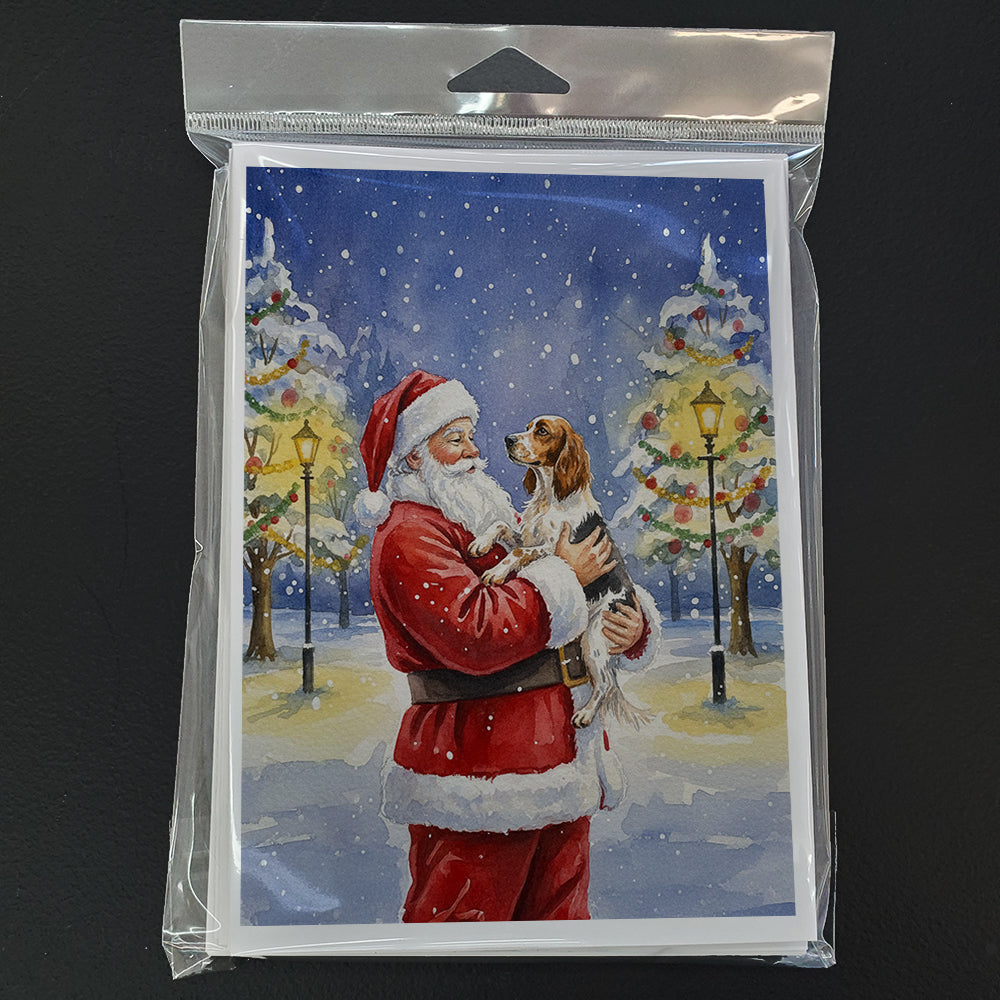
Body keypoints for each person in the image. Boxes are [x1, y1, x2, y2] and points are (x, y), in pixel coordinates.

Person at [357, 370, 659, 921]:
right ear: (414, 455)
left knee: (560, 928)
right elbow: (475, 633)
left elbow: (578, 575)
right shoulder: (409, 533)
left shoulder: (482, 518)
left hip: (561, 756)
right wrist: (565, 577)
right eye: (455, 439)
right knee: (464, 928)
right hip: (478, 772)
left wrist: (631, 624)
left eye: (471, 436)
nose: (475, 451)